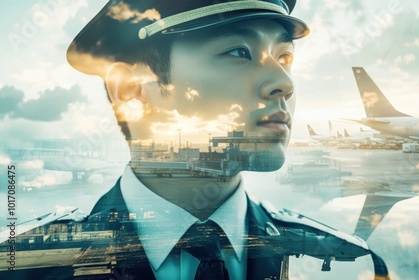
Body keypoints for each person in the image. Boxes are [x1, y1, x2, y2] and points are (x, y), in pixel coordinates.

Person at [1, 1, 389, 279]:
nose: (285, 84)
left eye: (284, 58)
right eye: (239, 52)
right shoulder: (21, 265)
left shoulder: (350, 264)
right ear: (132, 89)